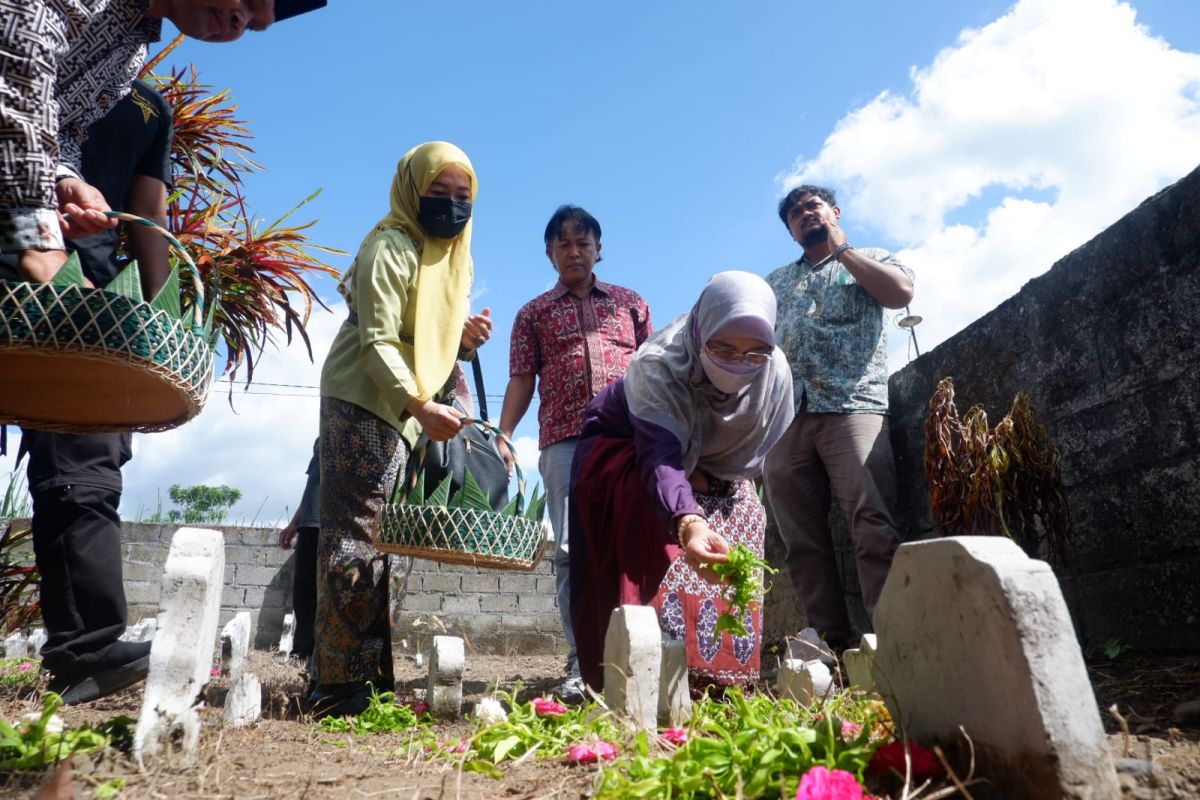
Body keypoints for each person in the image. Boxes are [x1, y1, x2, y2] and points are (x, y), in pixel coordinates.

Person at [0, 80, 173, 705]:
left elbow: (149, 212)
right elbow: (15, 141)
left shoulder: (151, 106)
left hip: (91, 296)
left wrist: (156, 315)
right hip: (17, 255)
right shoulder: (47, 64)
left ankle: (87, 651)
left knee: (89, 465)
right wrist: (37, 253)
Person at [312, 141, 493, 717]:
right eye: (437, 193)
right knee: (354, 536)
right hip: (365, 400)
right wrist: (418, 403)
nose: (451, 205)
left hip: (407, 413)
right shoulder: (392, 245)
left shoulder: (451, 257)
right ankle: (340, 687)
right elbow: (378, 341)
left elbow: (425, 339)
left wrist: (459, 342)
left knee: (386, 542)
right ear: (412, 192)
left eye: (462, 196)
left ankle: (370, 681)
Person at [568, 271, 794, 691]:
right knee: (644, 516)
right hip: (628, 447)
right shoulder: (660, 366)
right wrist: (690, 520)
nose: (738, 363)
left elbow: (758, 450)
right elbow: (659, 457)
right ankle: (641, 674)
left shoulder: (774, 373)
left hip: (713, 465)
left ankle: (724, 676)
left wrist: (712, 481)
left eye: (754, 353)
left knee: (746, 514)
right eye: (723, 348)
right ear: (700, 330)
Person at [0, 0, 325, 282]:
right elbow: (17, 79)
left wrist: (63, 178)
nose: (240, 21)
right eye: (250, 0)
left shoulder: (130, 52)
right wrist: (40, 242)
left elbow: (66, 129)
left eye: (252, 25)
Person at [497, 205, 651, 701]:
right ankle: (581, 662)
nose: (574, 250)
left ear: (599, 248)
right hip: (564, 442)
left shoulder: (630, 303)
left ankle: (642, 651)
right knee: (569, 553)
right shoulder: (533, 314)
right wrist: (502, 433)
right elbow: (522, 379)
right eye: (562, 243)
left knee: (634, 543)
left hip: (629, 440)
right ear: (549, 253)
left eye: (583, 242)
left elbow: (655, 371)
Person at [763, 184, 915, 652]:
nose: (805, 214)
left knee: (870, 520)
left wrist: (842, 247)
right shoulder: (774, 282)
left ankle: (895, 640)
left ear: (834, 211)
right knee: (800, 537)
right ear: (790, 231)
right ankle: (828, 645)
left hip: (852, 405)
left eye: (813, 206)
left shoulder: (871, 257)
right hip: (789, 417)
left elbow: (900, 293)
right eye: (794, 214)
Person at [278, 438, 320, 662]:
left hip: (337, 526)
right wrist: (294, 524)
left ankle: (324, 653)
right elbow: (311, 487)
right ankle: (303, 651)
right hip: (309, 524)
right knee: (304, 594)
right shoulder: (321, 440)